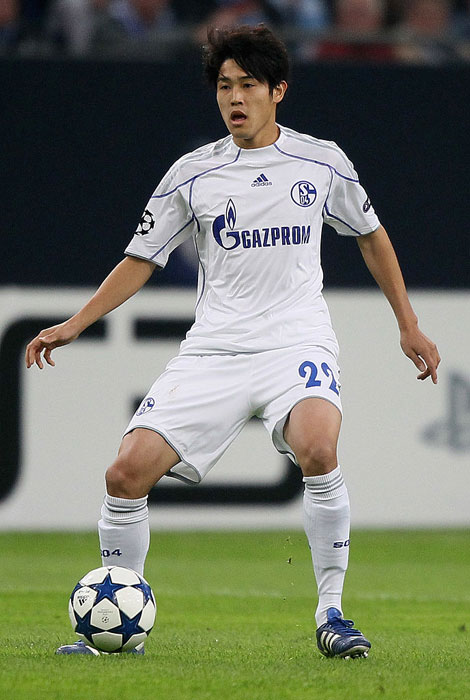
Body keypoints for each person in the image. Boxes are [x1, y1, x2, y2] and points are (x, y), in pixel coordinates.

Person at [25, 24, 440, 658]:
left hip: (296, 343)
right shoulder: (193, 173)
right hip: (214, 351)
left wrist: (407, 323)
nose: (235, 97)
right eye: (224, 86)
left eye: (248, 84)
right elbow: (140, 258)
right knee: (125, 474)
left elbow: (371, 235)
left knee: (318, 448)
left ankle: (332, 612)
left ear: (279, 90)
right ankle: (119, 633)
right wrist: (76, 323)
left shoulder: (322, 162)